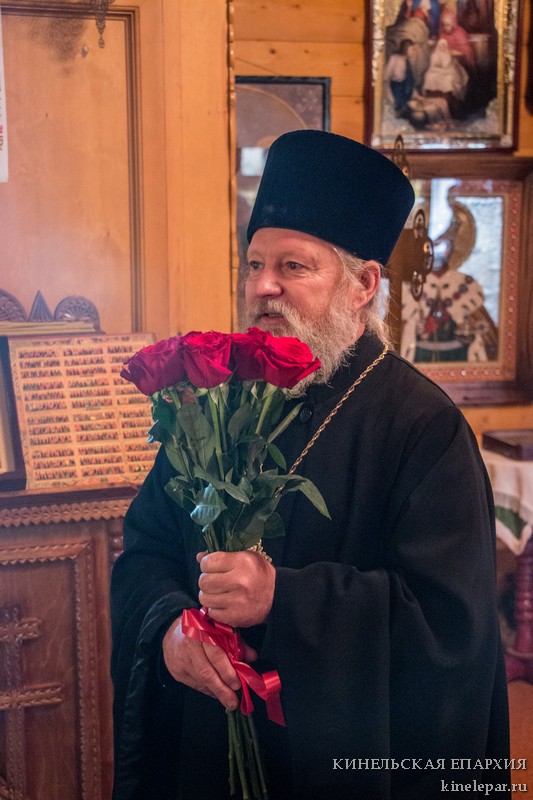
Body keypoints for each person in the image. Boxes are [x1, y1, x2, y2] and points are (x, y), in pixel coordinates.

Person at [110, 130, 511, 800]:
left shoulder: (424, 428)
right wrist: (172, 629)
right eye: (254, 264)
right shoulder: (218, 400)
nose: (262, 287)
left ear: (363, 285)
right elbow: (147, 549)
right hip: (208, 748)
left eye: (293, 267)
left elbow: (448, 627)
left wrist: (284, 600)